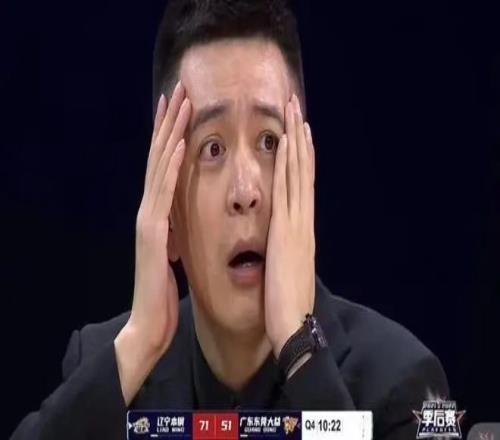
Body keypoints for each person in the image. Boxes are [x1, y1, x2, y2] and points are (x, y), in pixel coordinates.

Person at [10, 1, 449, 439]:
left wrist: (300, 349)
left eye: (269, 142)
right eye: (213, 148)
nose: (244, 192)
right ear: (167, 212)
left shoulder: (405, 384)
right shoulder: (110, 373)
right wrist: (140, 344)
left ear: (307, 174)